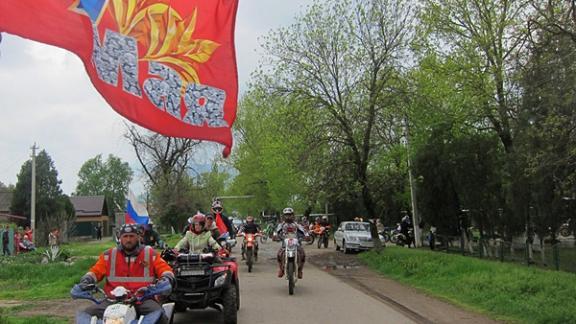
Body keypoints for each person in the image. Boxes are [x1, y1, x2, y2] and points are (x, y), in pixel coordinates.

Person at [74, 223, 175, 324]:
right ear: (120, 238)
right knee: (86, 314)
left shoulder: (150, 253)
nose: (128, 240)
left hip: (142, 299)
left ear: (138, 237)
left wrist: (166, 278)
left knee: (159, 314)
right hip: (112, 300)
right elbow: (95, 271)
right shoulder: (109, 255)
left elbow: (164, 269)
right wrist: (86, 280)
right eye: (125, 236)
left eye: (132, 236)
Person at [274, 207, 308, 279]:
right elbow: (276, 232)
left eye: (290, 215)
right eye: (286, 215)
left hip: (296, 244)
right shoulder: (281, 225)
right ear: (284, 216)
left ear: (293, 215)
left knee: (303, 254)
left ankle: (300, 270)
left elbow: (304, 231)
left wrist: (307, 236)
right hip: (285, 245)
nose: (288, 217)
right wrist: (275, 236)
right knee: (279, 255)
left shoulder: (297, 225)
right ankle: (281, 269)